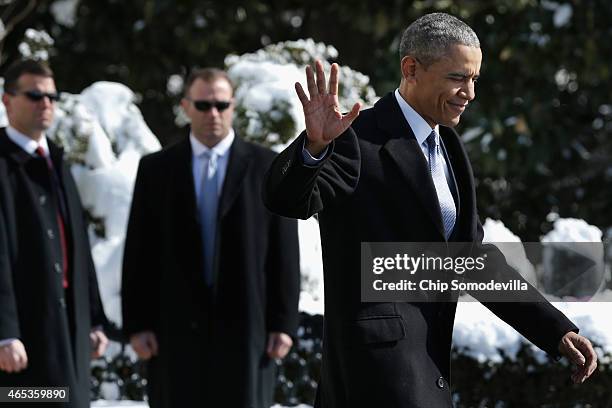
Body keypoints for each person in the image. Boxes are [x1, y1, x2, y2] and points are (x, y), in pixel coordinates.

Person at [264, 13, 597, 408]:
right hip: (373, 376)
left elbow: (470, 261)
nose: (469, 92)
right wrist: (313, 150)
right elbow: (285, 200)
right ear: (411, 69)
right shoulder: (356, 138)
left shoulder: (452, 149)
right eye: (458, 77)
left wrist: (555, 331)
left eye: (474, 79)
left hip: (429, 369)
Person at [122, 67, 301, 408]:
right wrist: (137, 323)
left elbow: (284, 251)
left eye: (221, 104)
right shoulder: (155, 169)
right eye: (203, 106)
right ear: (186, 107)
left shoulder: (267, 165)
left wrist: (283, 323)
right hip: (173, 329)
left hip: (247, 327)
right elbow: (139, 251)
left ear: (234, 106)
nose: (213, 114)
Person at [0, 59, 108, 407]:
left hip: (68, 327)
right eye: (34, 95)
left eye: (51, 96)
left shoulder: (56, 161)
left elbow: (77, 244)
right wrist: (4, 333)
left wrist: (93, 318)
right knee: (28, 401)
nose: (45, 104)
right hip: (22, 336)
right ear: (6, 100)